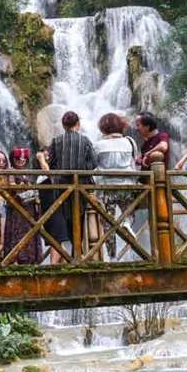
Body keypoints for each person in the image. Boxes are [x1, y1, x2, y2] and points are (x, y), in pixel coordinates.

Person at [48, 111, 98, 256]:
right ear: (78, 124)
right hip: (81, 185)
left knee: (66, 215)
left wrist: (62, 172)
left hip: (62, 186)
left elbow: (52, 164)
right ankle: (78, 250)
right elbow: (94, 163)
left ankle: (74, 251)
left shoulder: (56, 141)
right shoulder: (85, 140)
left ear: (63, 125)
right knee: (80, 214)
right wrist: (81, 170)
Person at [93, 113, 140, 261]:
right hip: (127, 186)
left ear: (103, 128)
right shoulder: (130, 142)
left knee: (107, 222)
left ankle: (112, 257)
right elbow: (134, 161)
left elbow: (93, 166)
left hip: (106, 189)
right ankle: (126, 222)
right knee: (129, 212)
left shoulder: (98, 145)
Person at [2, 147, 42, 265]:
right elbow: (12, 187)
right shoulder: (11, 172)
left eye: (24, 158)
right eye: (18, 158)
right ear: (13, 159)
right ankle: (15, 258)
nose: (21, 160)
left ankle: (30, 258)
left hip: (29, 206)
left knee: (29, 230)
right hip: (16, 207)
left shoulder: (27, 173)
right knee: (16, 232)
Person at [35, 147, 70, 265]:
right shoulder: (40, 176)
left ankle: (53, 266)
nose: (46, 158)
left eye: (48, 155)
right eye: (44, 155)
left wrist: (41, 159)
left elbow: (50, 175)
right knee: (53, 239)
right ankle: (67, 261)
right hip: (47, 210)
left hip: (57, 209)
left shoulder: (56, 171)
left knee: (55, 238)